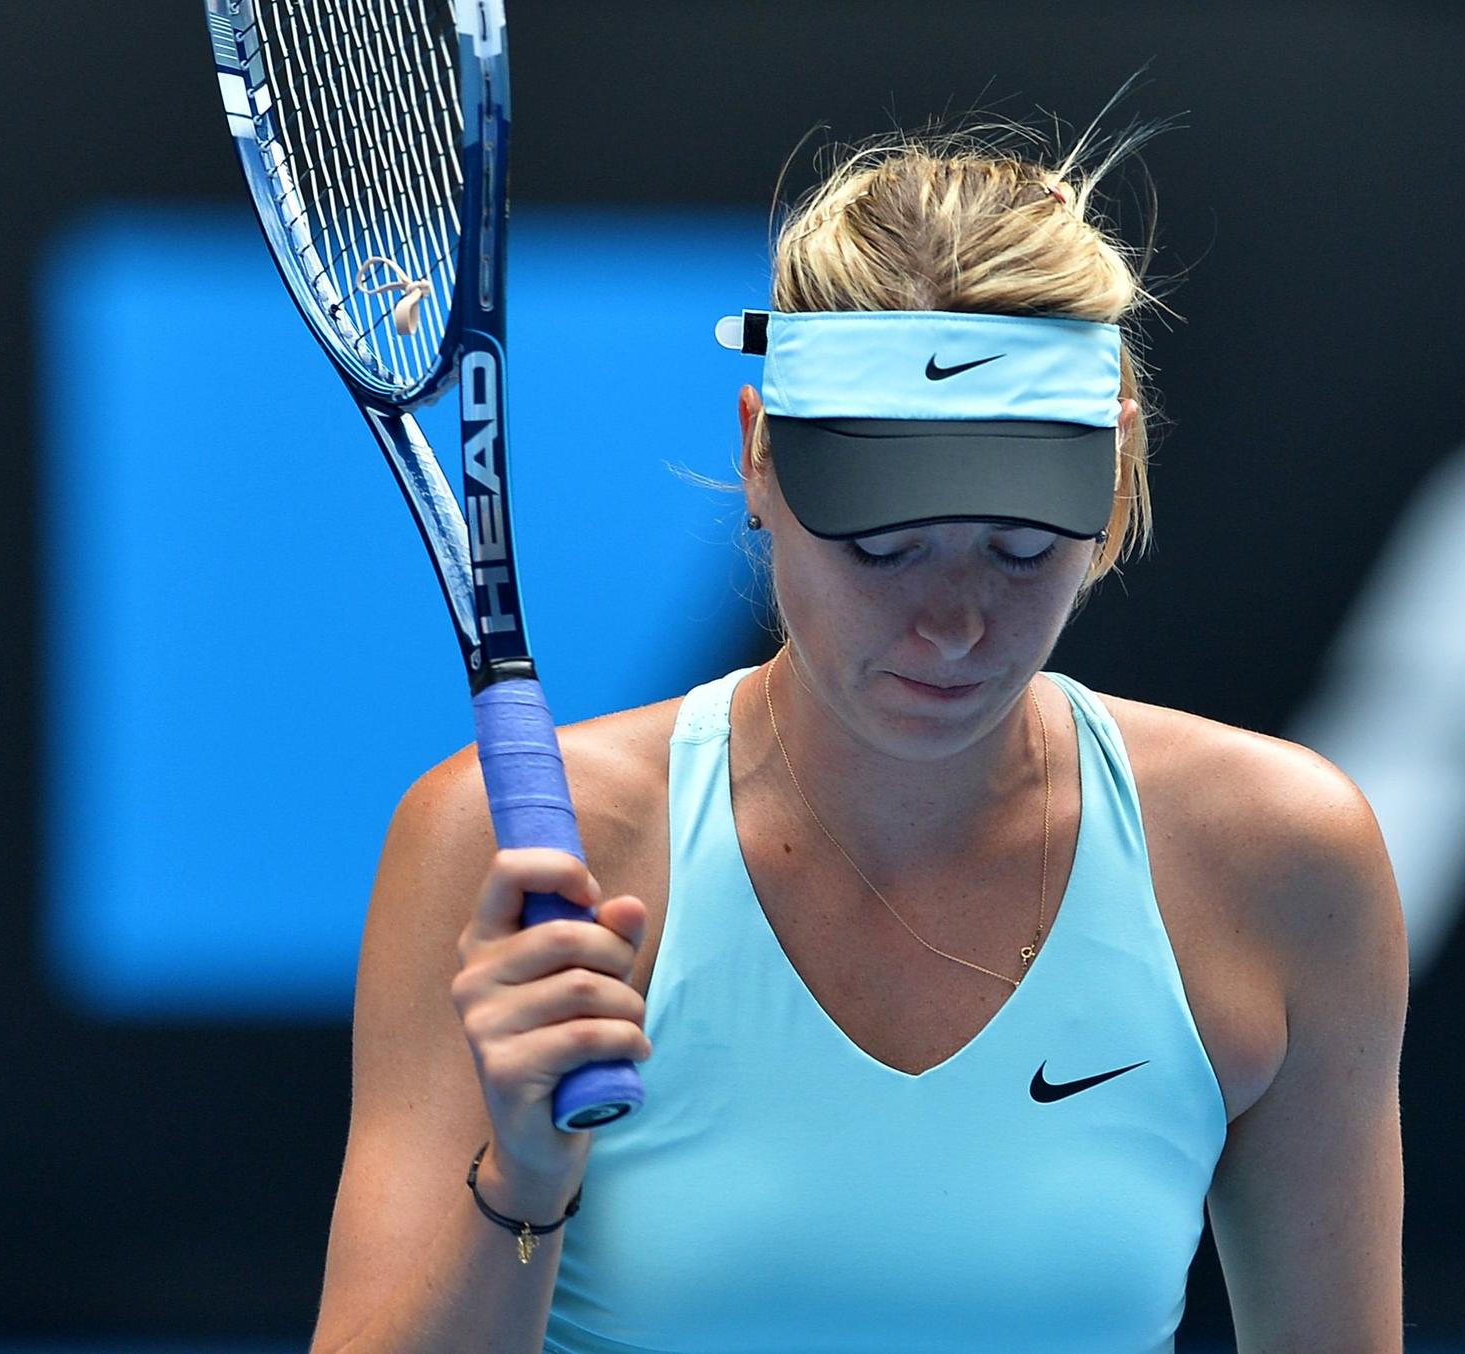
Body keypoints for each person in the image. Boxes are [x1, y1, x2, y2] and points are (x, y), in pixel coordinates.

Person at [307, 114, 1407, 1354]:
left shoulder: (1283, 860)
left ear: (1116, 471)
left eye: (1017, 547)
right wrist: (519, 1174)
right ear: (758, 456)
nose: (950, 627)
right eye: (881, 547)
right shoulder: (507, 847)